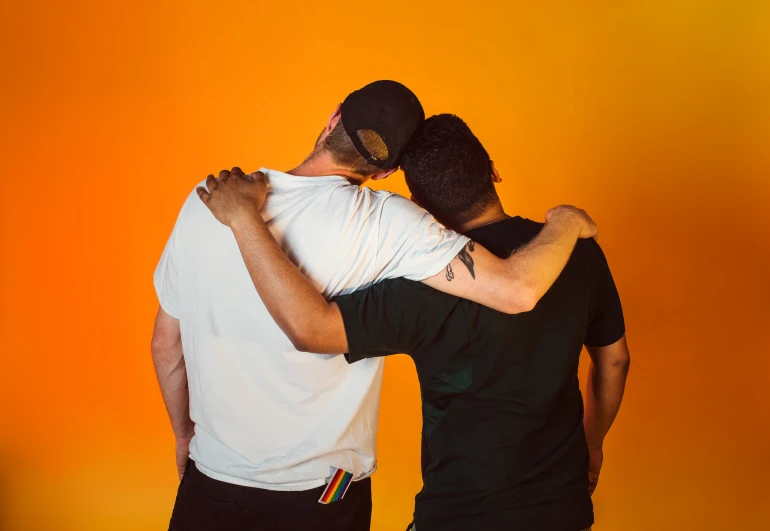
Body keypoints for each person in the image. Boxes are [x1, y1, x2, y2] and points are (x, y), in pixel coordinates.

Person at [152, 80, 596, 531]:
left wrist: (185, 435)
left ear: (333, 118)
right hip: (324, 491)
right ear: (387, 172)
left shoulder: (207, 201)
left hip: (212, 477)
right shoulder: (387, 221)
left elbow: (166, 346)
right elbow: (518, 291)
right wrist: (567, 222)